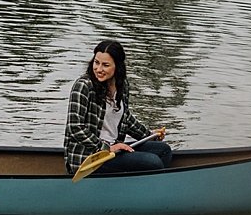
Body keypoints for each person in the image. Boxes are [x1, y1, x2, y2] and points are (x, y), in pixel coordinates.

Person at [63, 39, 171, 175]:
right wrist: (107, 148)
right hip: (89, 158)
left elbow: (126, 119)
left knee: (163, 150)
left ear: (117, 66)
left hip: (115, 149)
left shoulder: (122, 86)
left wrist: (150, 135)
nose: (99, 69)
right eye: (96, 63)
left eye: (105, 65)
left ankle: (145, 189)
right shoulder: (83, 86)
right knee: (152, 162)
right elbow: (75, 127)